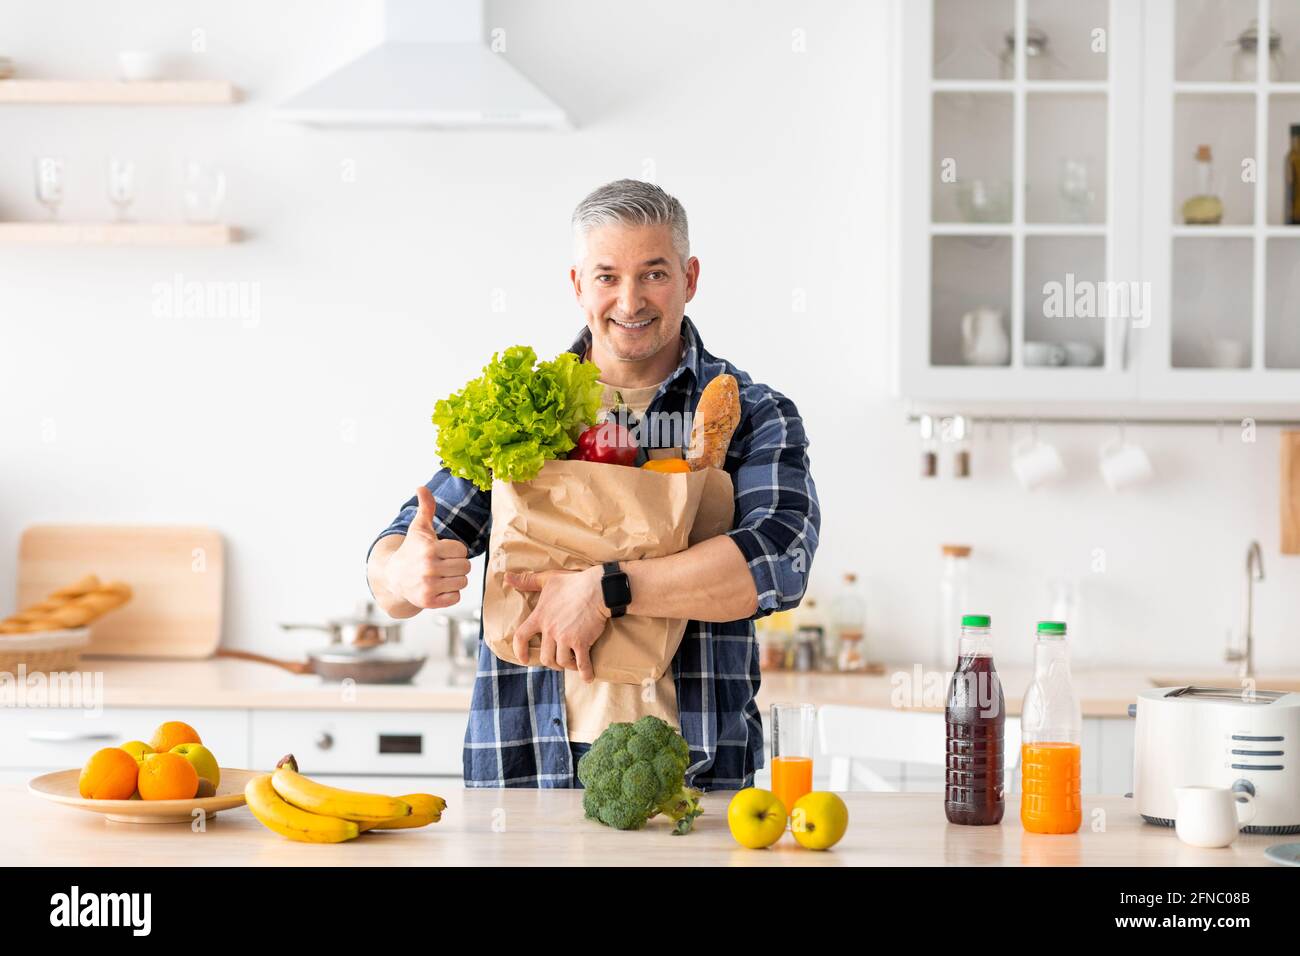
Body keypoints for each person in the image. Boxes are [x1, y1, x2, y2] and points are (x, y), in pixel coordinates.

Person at [366, 178, 820, 791]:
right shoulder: (525, 409)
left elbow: (778, 563)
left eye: (653, 274)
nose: (629, 301)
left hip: (696, 782)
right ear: (578, 284)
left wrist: (606, 589)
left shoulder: (754, 414)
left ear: (690, 278)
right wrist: (404, 573)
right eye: (607, 276)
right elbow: (396, 559)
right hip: (524, 768)